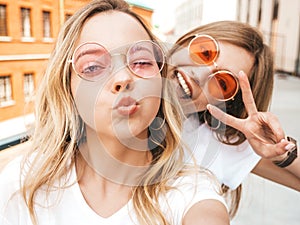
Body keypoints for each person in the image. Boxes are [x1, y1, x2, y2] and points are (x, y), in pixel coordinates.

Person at [0, 1, 229, 225]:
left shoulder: (191, 191)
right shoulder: (21, 184)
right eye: (92, 67)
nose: (123, 79)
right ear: (66, 86)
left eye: (141, 61)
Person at [167, 20, 299, 216]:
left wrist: (283, 152)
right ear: (185, 42)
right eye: (204, 53)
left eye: (222, 83)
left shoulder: (210, 142)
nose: (200, 74)